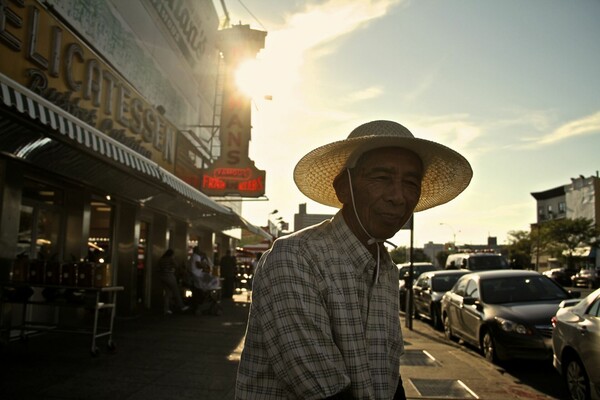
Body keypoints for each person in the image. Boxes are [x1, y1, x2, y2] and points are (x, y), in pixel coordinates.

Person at [236, 120, 472, 399]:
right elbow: (323, 390)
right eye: (382, 178)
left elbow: (386, 372)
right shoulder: (296, 258)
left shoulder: (385, 268)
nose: (398, 197)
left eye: (410, 182)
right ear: (343, 188)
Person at [158, 249, 189, 314]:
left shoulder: (161, 259)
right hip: (169, 276)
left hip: (162, 277)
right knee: (176, 291)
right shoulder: (170, 259)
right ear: (171, 254)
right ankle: (182, 306)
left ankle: (166, 309)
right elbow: (177, 266)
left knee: (167, 293)